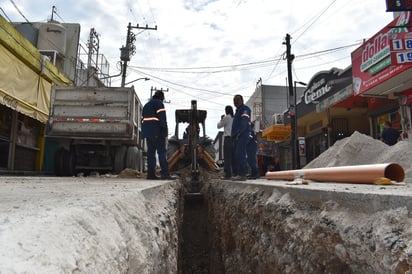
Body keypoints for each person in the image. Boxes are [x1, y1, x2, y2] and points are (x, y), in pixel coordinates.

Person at [141, 90, 176, 180]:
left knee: (151, 153)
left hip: (148, 133)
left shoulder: (146, 105)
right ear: (161, 97)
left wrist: (145, 132)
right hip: (157, 132)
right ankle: (165, 174)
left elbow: (143, 120)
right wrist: (165, 131)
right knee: (162, 153)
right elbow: (162, 119)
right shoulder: (159, 104)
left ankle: (151, 174)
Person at [231, 94, 252, 181]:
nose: (236, 102)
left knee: (240, 153)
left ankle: (242, 174)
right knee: (237, 154)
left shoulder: (244, 109)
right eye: (234, 100)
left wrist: (239, 132)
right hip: (237, 136)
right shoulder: (238, 111)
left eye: (237, 100)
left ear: (242, 100)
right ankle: (240, 173)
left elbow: (244, 121)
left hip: (242, 134)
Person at [217, 105, 234, 179]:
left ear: (226, 111)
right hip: (234, 139)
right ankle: (234, 173)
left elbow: (219, 126)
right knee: (233, 157)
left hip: (228, 139)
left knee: (227, 157)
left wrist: (221, 119)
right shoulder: (234, 118)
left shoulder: (226, 117)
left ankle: (228, 175)